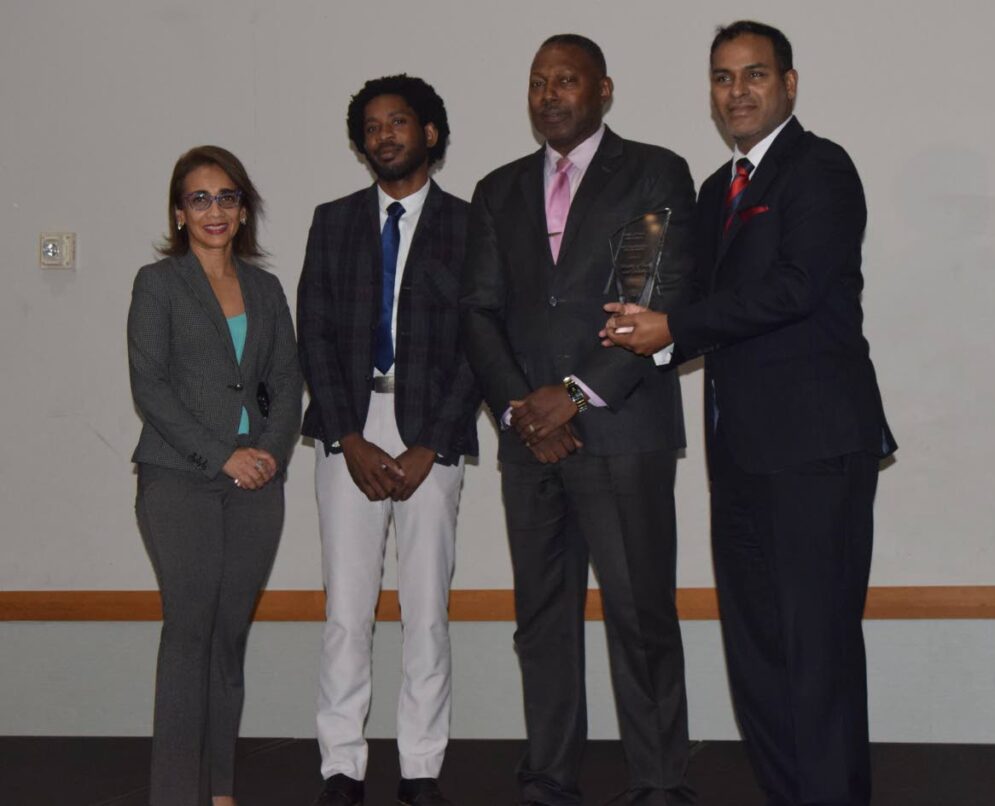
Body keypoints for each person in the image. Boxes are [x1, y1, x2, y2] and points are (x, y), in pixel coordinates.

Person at [603, 21, 897, 806]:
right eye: (724, 78)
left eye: (755, 75)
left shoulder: (820, 169)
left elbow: (796, 288)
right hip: (738, 458)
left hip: (814, 454)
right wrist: (646, 334)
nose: (738, 91)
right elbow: (699, 306)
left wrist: (679, 328)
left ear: (789, 85)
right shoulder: (713, 189)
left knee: (817, 653)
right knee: (758, 653)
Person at [460, 34, 697, 806]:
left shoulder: (654, 172)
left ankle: (659, 783)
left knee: (640, 617)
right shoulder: (497, 190)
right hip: (531, 439)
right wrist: (522, 411)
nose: (550, 94)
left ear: (604, 90)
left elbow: (651, 295)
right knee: (541, 620)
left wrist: (574, 392)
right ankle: (548, 776)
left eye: (567, 80)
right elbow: (479, 313)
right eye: (537, 82)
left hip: (621, 430)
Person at [297, 75, 480, 806]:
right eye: (371, 127)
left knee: (426, 609)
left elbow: (478, 345)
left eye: (398, 122)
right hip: (349, 430)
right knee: (347, 610)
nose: (384, 136)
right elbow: (313, 330)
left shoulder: (471, 226)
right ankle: (341, 765)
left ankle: (420, 768)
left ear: (429, 133)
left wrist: (430, 443)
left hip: (430, 438)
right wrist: (348, 436)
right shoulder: (333, 220)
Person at [129, 144, 302, 806]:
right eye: (199, 198)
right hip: (178, 480)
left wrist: (270, 452)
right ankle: (176, 793)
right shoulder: (159, 285)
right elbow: (152, 389)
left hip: (256, 483)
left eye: (226, 196)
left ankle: (221, 788)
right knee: (190, 631)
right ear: (179, 212)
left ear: (243, 208)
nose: (214, 210)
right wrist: (221, 455)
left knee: (228, 637)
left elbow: (286, 380)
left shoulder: (264, 287)